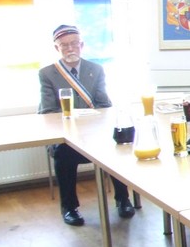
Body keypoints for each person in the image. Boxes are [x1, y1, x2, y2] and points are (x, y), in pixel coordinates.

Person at [38, 24, 134, 225]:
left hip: (94, 132)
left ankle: (123, 199)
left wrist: (92, 119)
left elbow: (104, 104)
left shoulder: (95, 69)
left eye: (74, 43)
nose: (70, 48)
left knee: (116, 145)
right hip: (66, 134)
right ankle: (69, 208)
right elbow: (48, 112)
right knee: (63, 154)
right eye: (64, 45)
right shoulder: (47, 73)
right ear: (56, 48)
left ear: (81, 45)